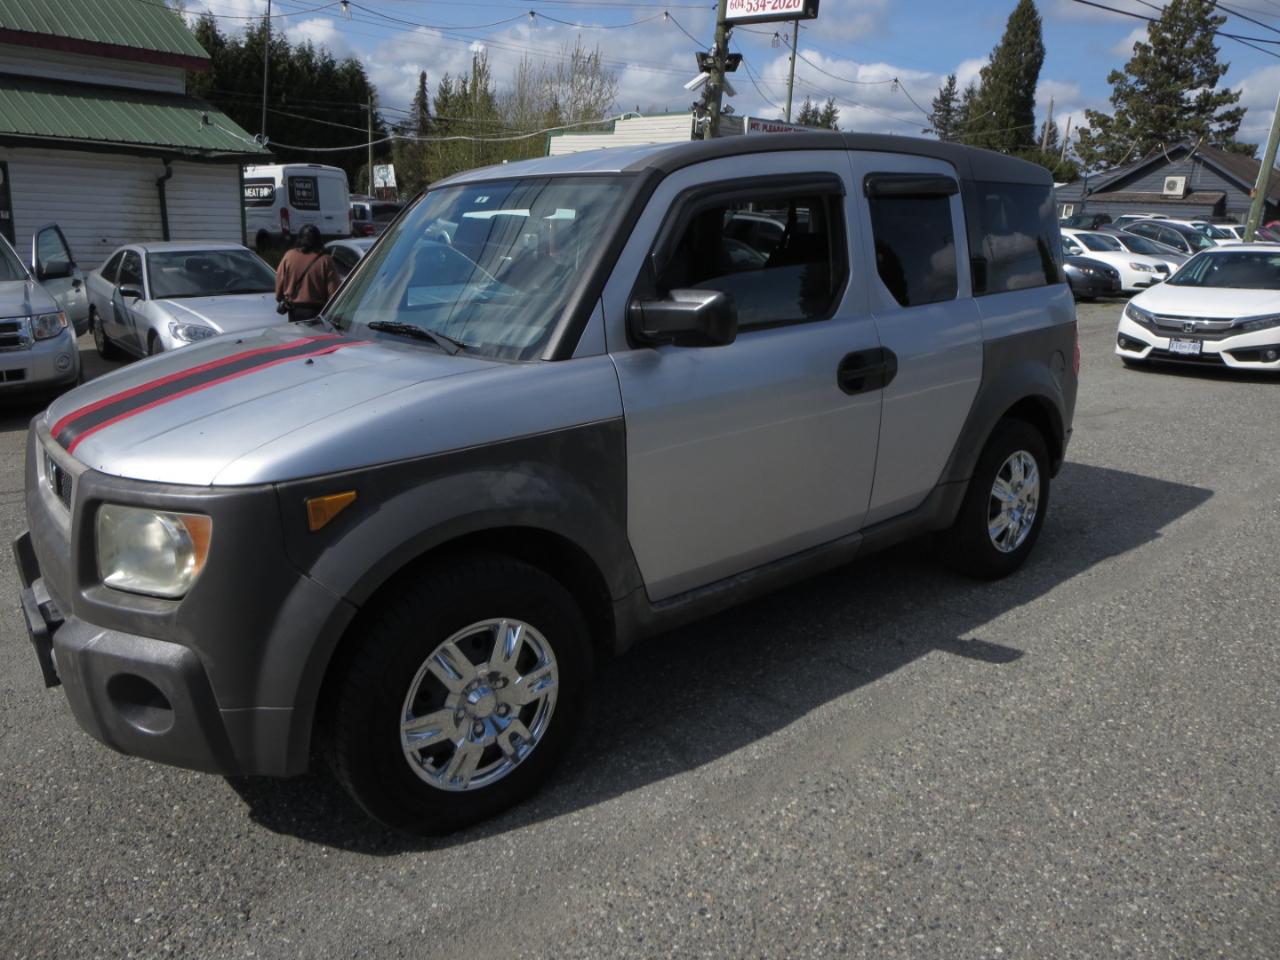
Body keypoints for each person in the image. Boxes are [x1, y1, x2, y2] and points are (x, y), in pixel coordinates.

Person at [275, 224, 340, 323]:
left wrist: (281, 298)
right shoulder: (325, 260)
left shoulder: (289, 256)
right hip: (317, 312)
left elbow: (279, 286)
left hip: (294, 311)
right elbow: (334, 293)